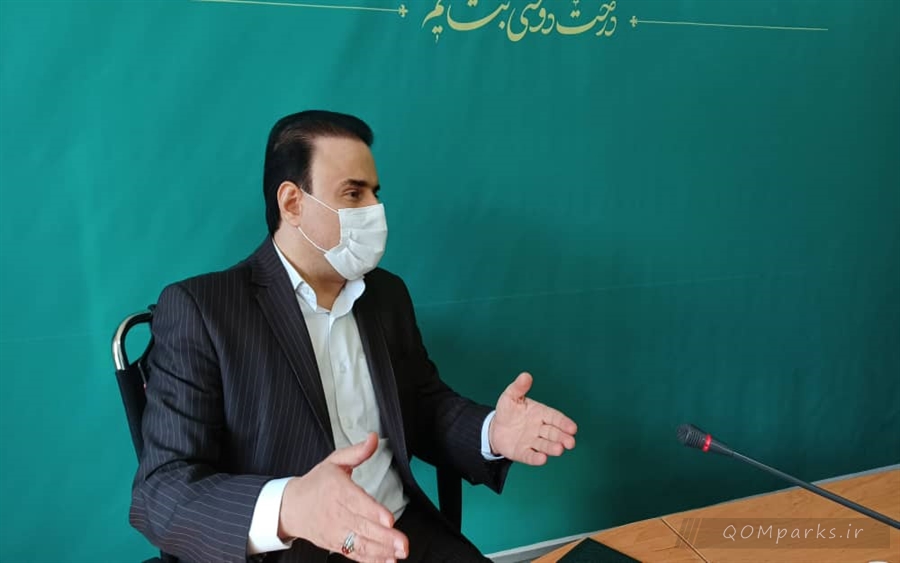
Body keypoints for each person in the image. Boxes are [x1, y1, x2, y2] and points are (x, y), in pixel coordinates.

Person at [130, 110, 578, 563]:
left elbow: (423, 405)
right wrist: (291, 507)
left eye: (374, 193)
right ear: (292, 203)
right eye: (353, 193)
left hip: (402, 533)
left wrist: (490, 432)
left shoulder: (386, 295)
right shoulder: (203, 310)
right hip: (292, 554)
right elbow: (161, 491)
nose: (373, 210)